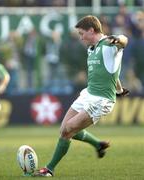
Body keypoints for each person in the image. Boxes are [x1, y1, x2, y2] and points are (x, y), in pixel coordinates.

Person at [33, 15, 128, 177]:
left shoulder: (109, 44)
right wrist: (119, 89)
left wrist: (118, 38)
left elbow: (125, 41)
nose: (81, 37)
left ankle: (49, 169)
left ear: (91, 30)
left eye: (81, 33)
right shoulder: (92, 48)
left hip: (101, 100)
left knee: (69, 129)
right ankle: (98, 144)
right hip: (87, 94)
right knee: (64, 130)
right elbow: (113, 71)